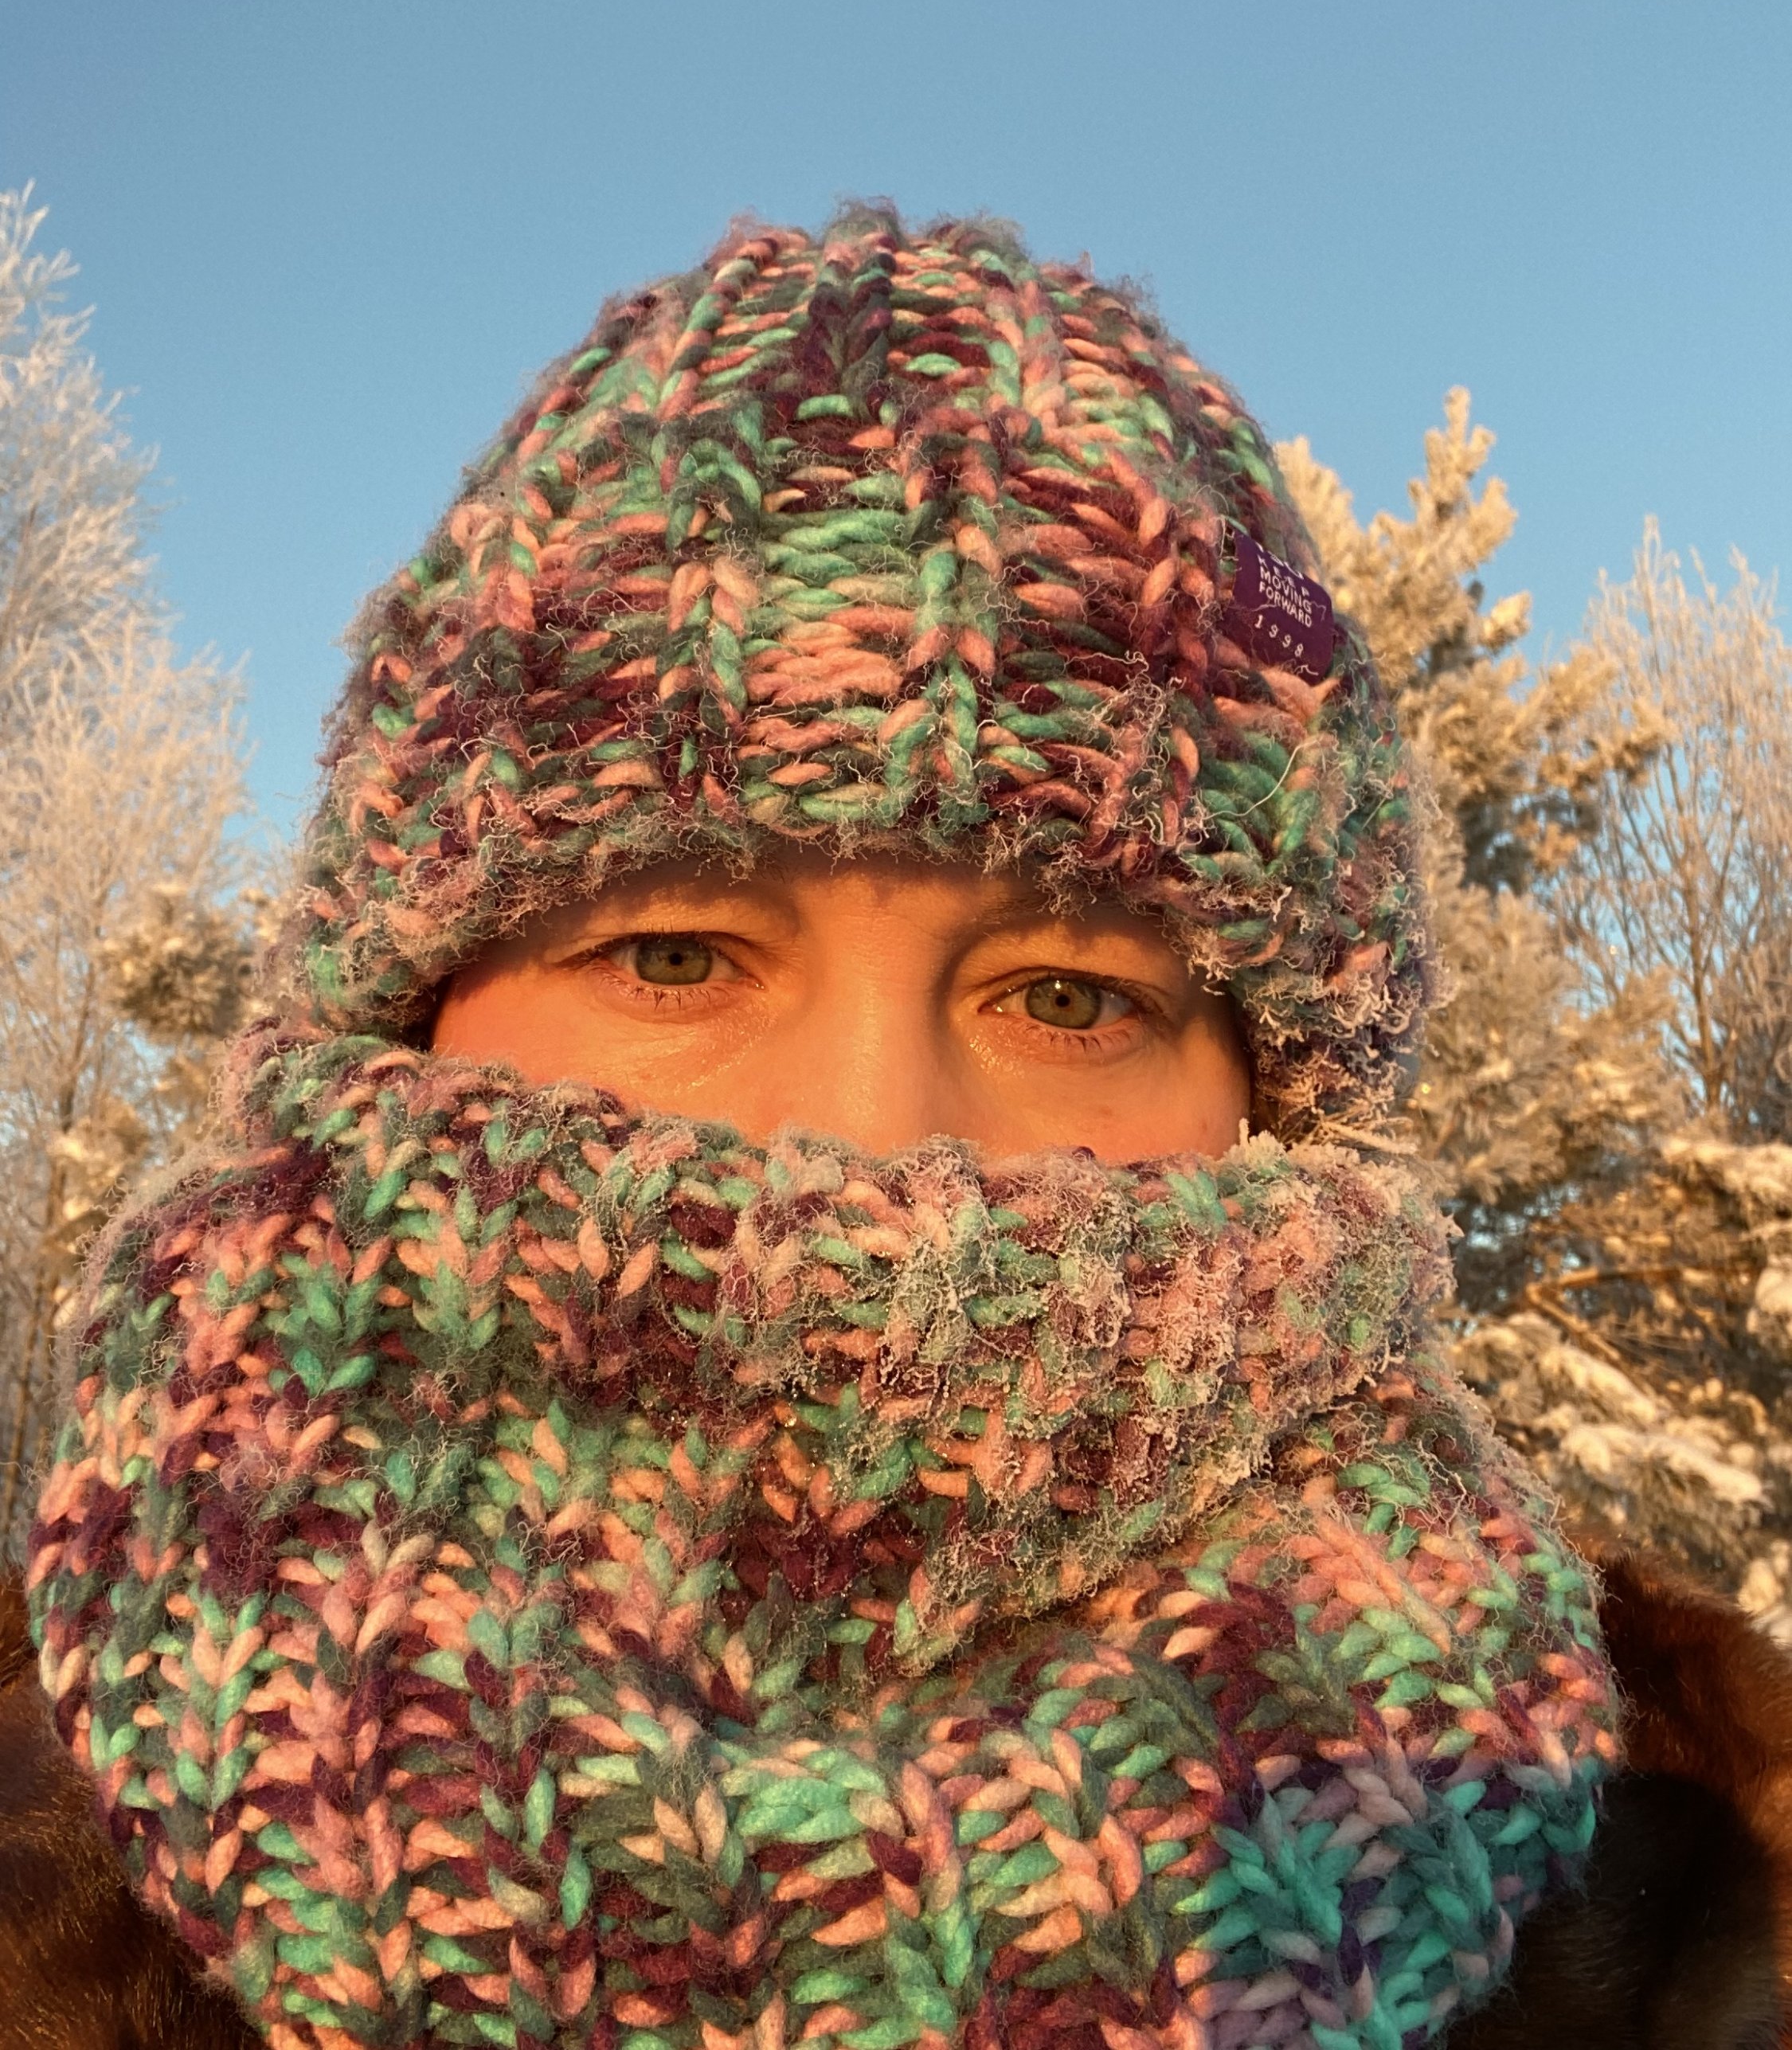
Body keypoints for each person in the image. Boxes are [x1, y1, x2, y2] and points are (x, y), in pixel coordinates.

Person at [7, 213, 1790, 2048]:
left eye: (1070, 997)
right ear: (401, 1010)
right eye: (676, 954)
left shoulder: (1684, 1929)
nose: (870, 1147)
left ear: (1281, 1107)